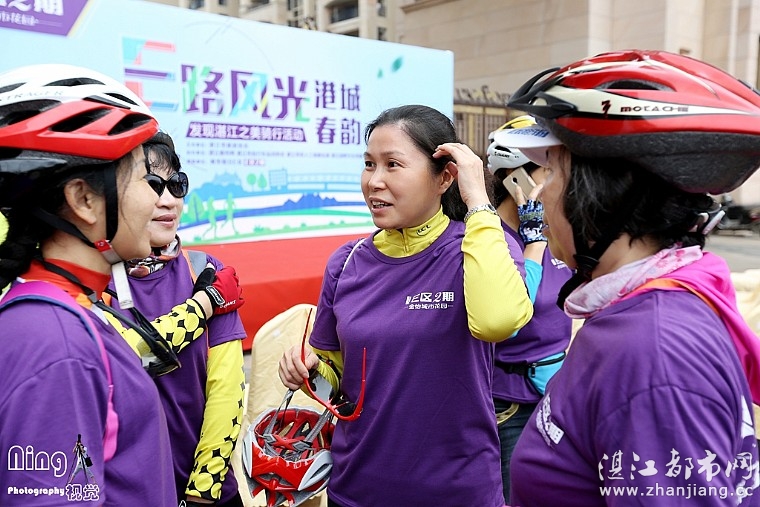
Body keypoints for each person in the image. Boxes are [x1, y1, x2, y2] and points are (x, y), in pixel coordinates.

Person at [497, 49, 760, 506]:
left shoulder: (652, 352)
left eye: (552, 170)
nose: (540, 194)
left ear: (601, 192)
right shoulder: (638, 315)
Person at [278, 104, 533, 507]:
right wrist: (310, 371)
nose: (374, 181)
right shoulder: (346, 262)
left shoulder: (479, 248)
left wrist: (478, 201)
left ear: (444, 177)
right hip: (357, 489)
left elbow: (497, 322)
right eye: (369, 164)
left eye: (393, 165)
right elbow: (339, 377)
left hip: (456, 493)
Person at [0, 63, 178, 505]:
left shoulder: (69, 310)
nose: (160, 199)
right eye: (147, 180)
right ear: (83, 199)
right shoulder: (55, 342)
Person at [108, 131, 247, 507]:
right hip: (131, 495)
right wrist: (204, 304)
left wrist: (204, 489)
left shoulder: (204, 268)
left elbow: (227, 390)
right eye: (152, 185)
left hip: (210, 492)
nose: (168, 200)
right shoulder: (96, 278)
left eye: (176, 185)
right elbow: (129, 357)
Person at [485, 115, 573, 503]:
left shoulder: (558, 232)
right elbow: (512, 317)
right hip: (509, 406)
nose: (561, 183)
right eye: (548, 171)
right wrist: (532, 241)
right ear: (515, 180)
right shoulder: (491, 241)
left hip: (558, 392)